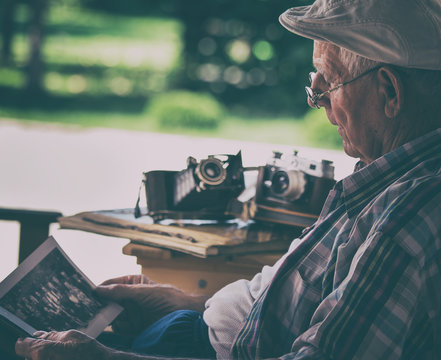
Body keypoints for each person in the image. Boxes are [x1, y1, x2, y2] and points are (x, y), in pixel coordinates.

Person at [15, 0, 441, 358]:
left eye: (330, 84)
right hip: (200, 328)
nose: (321, 105)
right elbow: (295, 307)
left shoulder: (408, 220)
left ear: (390, 93)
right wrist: (183, 303)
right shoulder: (384, 173)